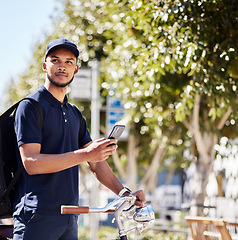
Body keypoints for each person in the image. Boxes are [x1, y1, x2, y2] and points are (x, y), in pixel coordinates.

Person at [13, 38, 146, 240]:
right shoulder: (31, 106)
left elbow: (96, 164)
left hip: (70, 217)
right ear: (44, 65)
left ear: (75, 69)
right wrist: (85, 154)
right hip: (37, 217)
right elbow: (31, 163)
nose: (62, 67)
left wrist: (124, 194)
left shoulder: (74, 114)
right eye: (55, 60)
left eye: (69, 62)